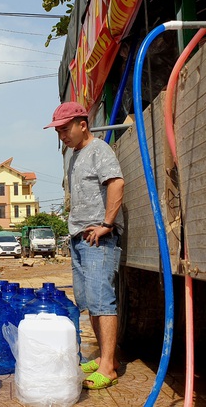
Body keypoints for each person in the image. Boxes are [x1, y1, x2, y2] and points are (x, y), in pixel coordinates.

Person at [44, 102, 124, 390]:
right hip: (80, 237)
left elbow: (116, 183)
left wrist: (106, 223)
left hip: (98, 237)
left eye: (65, 129)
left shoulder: (99, 150)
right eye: (58, 131)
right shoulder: (74, 156)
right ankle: (107, 359)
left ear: (82, 124)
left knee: (103, 301)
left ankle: (108, 367)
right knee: (89, 302)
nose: (62, 135)